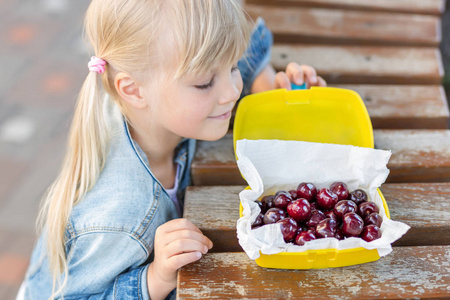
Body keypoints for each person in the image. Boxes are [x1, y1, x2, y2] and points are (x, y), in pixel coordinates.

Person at [18, 0, 326, 299]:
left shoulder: (150, 100)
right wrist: (153, 279)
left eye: (232, 67)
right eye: (205, 83)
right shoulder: (119, 216)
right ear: (134, 90)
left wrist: (268, 86)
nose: (232, 91)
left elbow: (240, 48)